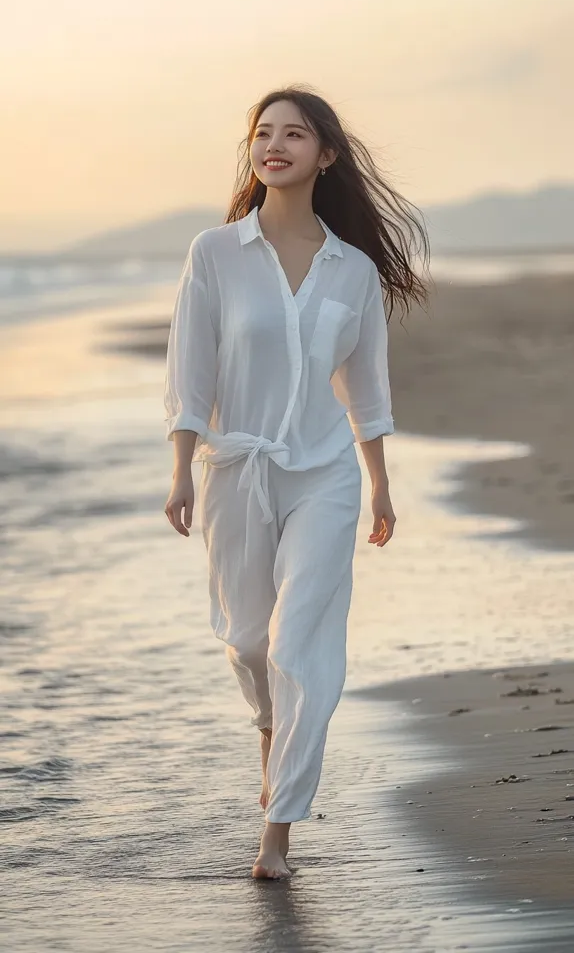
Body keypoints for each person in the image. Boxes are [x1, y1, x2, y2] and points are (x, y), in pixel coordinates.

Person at [163, 85, 429, 880]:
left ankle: (276, 832)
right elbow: (190, 369)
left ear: (326, 155)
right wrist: (180, 466)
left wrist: (378, 484)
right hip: (237, 468)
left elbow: (368, 390)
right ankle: (270, 727)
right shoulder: (214, 254)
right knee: (248, 642)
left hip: (324, 474)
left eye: (295, 134)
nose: (274, 144)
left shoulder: (353, 273)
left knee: (296, 641)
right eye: (264, 133)